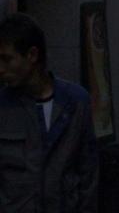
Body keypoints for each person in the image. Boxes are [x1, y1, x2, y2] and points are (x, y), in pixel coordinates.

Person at [0, 12, 98, 213]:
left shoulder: (76, 103)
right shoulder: (3, 106)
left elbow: (88, 174)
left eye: (7, 59)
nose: (1, 69)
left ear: (32, 55)